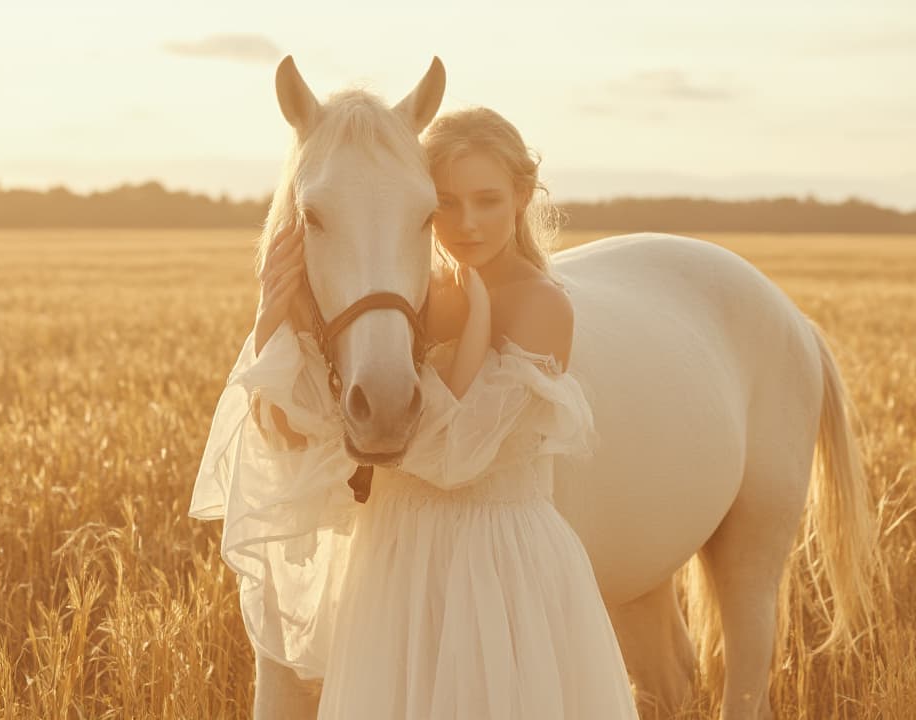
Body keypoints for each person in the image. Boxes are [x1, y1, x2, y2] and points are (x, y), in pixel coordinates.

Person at [191, 106, 640, 719]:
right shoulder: (406, 302)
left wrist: (479, 321)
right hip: (399, 557)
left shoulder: (542, 307)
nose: (468, 223)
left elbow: (452, 454)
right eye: (446, 204)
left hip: (490, 565)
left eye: (487, 200)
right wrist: (271, 312)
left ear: (522, 196)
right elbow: (293, 433)